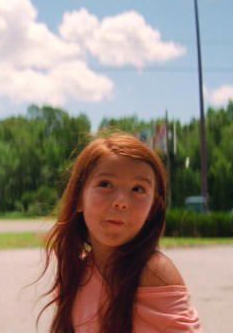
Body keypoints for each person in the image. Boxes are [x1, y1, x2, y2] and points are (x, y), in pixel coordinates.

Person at [39, 133, 200, 333]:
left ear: (153, 208)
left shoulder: (153, 272)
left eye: (138, 189)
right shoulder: (75, 273)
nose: (121, 201)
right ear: (79, 197)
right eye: (106, 184)